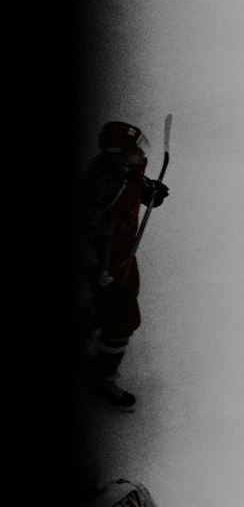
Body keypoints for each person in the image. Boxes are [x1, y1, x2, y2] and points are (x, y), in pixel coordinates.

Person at [81, 122, 170, 411]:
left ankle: (90, 338)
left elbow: (136, 185)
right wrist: (99, 275)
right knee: (123, 319)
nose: (142, 154)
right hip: (105, 267)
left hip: (123, 257)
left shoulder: (129, 167)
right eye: (135, 149)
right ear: (117, 154)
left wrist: (149, 191)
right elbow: (81, 235)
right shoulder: (102, 188)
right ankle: (102, 379)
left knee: (110, 311)